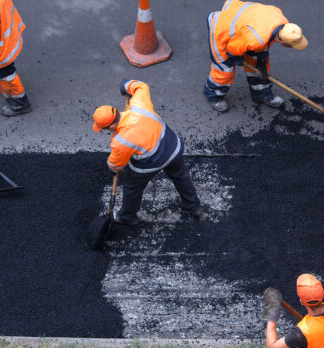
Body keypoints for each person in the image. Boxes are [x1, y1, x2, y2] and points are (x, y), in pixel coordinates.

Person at [92, 79, 203, 225]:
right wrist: (125, 85)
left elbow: (116, 164)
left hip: (151, 162)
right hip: (172, 148)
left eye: (104, 128)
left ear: (112, 126)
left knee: (133, 187)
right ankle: (193, 206)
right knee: (181, 177)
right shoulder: (138, 105)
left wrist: (112, 169)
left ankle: (127, 216)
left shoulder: (121, 141)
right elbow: (141, 86)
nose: (105, 131)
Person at [204, 0, 308, 113]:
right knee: (225, 69)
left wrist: (261, 60)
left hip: (245, 26)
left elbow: (263, 41)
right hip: (222, 28)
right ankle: (213, 95)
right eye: (290, 44)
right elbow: (232, 48)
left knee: (258, 65)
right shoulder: (256, 38)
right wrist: (236, 58)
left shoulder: (283, 23)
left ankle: (261, 94)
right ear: (280, 39)